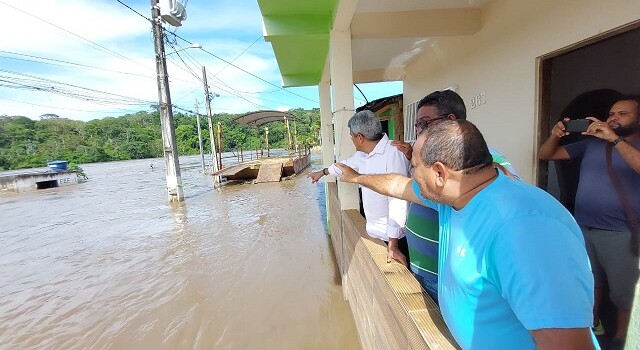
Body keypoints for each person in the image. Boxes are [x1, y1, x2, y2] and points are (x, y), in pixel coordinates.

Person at [334, 120, 598, 350]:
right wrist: (356, 178)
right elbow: (397, 185)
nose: (411, 173)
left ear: (439, 172)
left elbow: (568, 345)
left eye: (414, 166)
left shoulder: (525, 229)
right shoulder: (455, 197)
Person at [392, 90, 518, 302]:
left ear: (451, 121)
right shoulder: (430, 160)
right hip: (423, 271)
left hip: (450, 281)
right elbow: (398, 186)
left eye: (424, 123)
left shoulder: (487, 161)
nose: (419, 131)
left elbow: (511, 201)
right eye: (417, 125)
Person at [538, 95, 640, 346]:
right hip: (583, 227)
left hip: (622, 233)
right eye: (612, 114)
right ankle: (593, 327)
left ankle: (622, 338)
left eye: (623, 114)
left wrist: (614, 139)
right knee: (587, 282)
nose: (614, 118)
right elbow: (545, 154)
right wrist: (555, 135)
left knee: (624, 293)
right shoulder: (591, 144)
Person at [308, 110, 411, 265]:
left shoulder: (393, 153)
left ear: (360, 137)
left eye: (352, 136)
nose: (351, 140)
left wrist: (393, 244)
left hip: (394, 238)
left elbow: (398, 199)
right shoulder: (362, 155)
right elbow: (343, 166)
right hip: (374, 232)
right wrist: (322, 172)